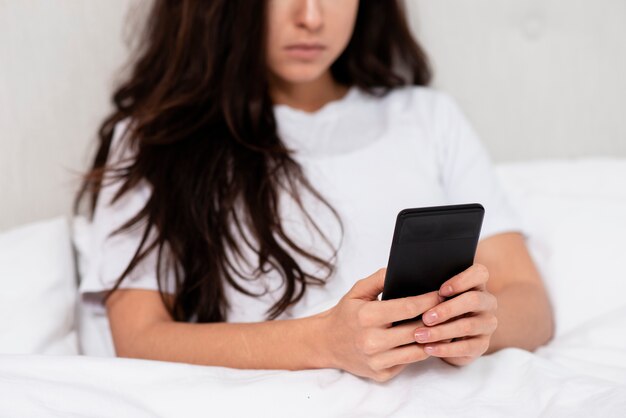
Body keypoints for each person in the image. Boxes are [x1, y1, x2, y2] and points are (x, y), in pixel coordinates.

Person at [75, 0, 554, 383]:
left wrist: (477, 327)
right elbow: (138, 339)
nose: (310, 16)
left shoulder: (429, 119)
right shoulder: (155, 139)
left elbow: (530, 303)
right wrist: (324, 342)